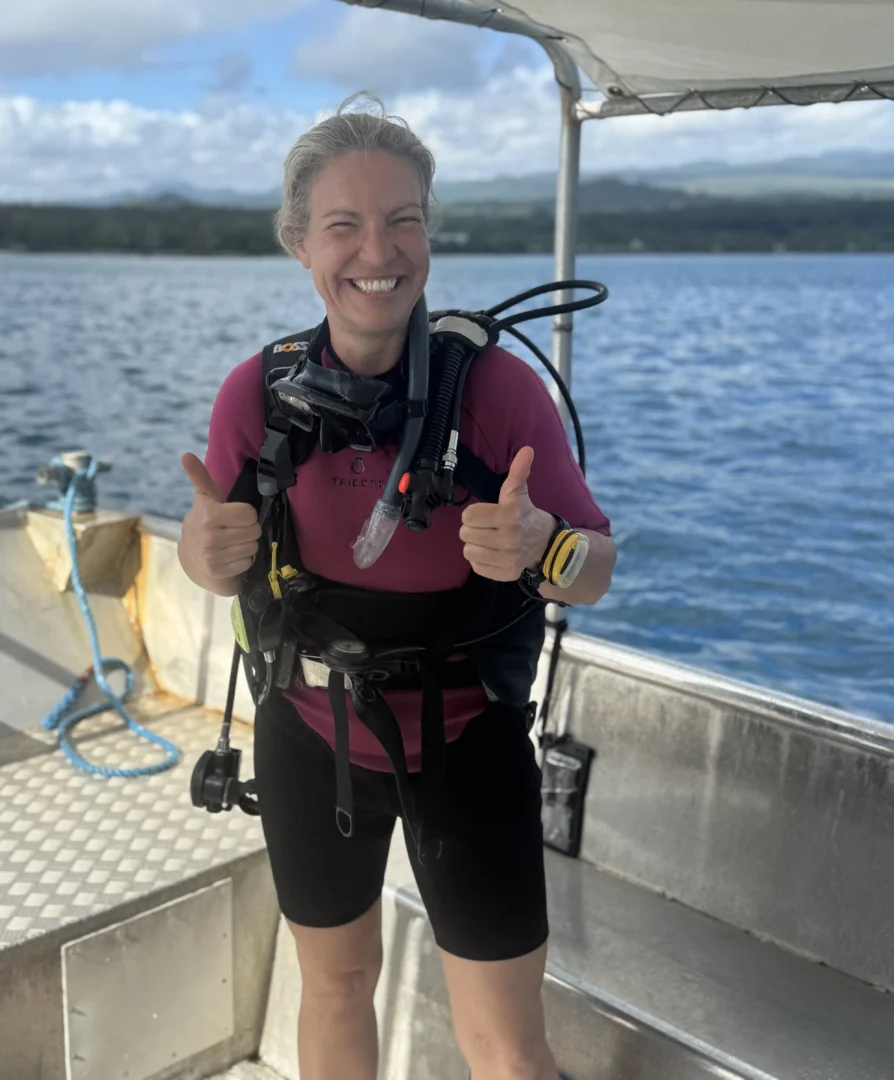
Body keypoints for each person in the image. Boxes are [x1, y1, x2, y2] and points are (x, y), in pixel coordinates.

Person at [178, 94, 616, 1080]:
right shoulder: (258, 395)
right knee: (334, 990)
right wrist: (204, 556)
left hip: (466, 740)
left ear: (429, 231)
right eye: (344, 223)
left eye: (402, 218)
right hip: (306, 729)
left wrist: (545, 545)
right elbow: (210, 554)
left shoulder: (497, 393)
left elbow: (595, 569)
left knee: (507, 1045)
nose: (378, 249)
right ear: (299, 243)